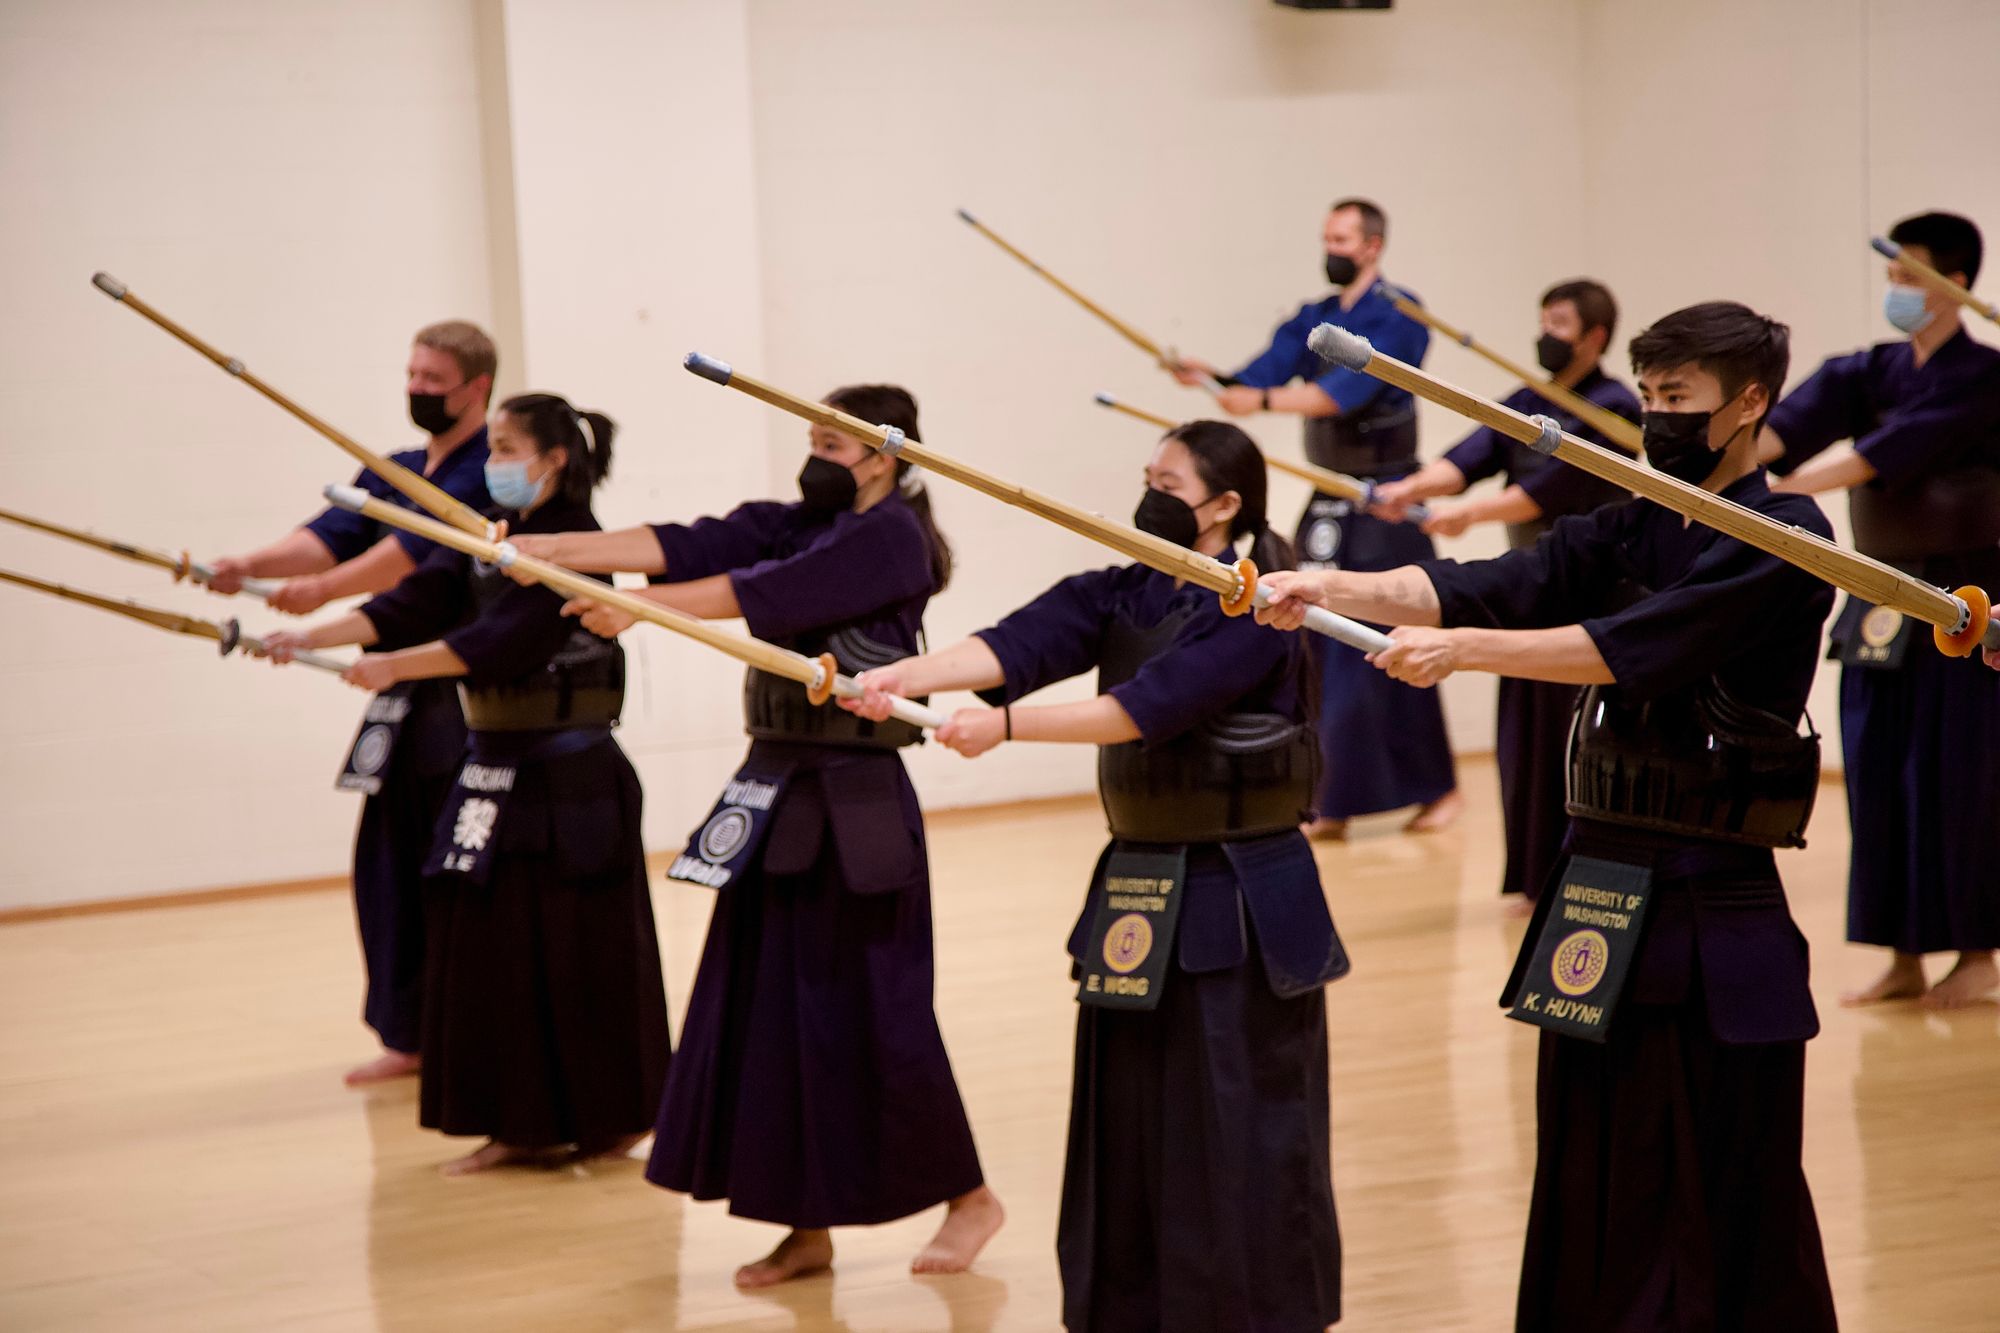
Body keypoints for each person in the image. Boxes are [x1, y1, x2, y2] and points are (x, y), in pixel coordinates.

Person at [1258, 303, 1837, 1330]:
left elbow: (1637, 644)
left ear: (1747, 403)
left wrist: (1468, 654)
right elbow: (1487, 582)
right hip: (1597, 880)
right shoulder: (1637, 514)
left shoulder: (1787, 533)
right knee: (1589, 1155)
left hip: (1709, 891)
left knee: (1716, 1165)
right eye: (1648, 396)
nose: (1655, 418)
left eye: (1677, 399)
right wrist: (1325, 584)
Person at [849, 421, 1346, 1333]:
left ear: (1225, 505)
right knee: (1132, 1111)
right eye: (1146, 475)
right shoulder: (1123, 585)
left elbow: (1141, 709)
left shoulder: (1257, 608)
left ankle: (1248, 1311)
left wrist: (1002, 731)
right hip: (1141, 880)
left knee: (1237, 1112)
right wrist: (887, 680)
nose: (1149, 491)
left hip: (1240, 888)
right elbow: (1015, 645)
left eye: (1169, 479)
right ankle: (1139, 1307)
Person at [512, 385, 1001, 1286]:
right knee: (774, 1010)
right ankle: (803, 1224)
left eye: (829, 440)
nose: (811, 454)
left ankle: (969, 1196)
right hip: (778, 783)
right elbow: (696, 541)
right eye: (808, 436)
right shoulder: (805, 521)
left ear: (883, 454)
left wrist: (643, 610)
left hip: (854, 800)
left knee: (876, 1010)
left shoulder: (889, 536)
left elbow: (766, 592)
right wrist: (553, 547)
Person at [265, 393, 668, 1174]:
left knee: (581, 953)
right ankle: (517, 1121)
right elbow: (422, 598)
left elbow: (501, 640)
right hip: (493, 768)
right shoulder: (494, 537)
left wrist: (395, 665)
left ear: (553, 458)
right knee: (493, 949)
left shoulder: (577, 544)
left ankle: (610, 1115)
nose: (493, 464)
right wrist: (308, 635)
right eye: (490, 447)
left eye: (508, 447)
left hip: (569, 778)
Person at [208, 320, 496, 1085]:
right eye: (413, 375)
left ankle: (458, 1029)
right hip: (393, 689)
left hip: (459, 689)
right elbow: (332, 534)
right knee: (387, 860)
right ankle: (407, 1032)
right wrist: (250, 565)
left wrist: (322, 598)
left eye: (435, 380)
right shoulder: (395, 467)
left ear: (478, 388)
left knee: (445, 860)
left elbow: (409, 555)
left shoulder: (483, 471)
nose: (418, 390)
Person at [1762, 211, 2000, 1009]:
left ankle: (1974, 954)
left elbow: (1884, 455)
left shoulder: (1986, 376)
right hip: (1879, 594)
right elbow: (1786, 428)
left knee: (1962, 775)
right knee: (1877, 769)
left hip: (1966, 600)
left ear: (1956, 283)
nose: (1896, 288)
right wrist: (1731, 464)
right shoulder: (1866, 369)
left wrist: (1772, 497)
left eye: (1912, 274)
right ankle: (1900, 952)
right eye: (1892, 273)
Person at [1170, 197, 1459, 838]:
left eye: (1342, 238)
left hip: (1386, 498)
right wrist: (1214, 380)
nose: (1331, 247)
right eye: (1326, 236)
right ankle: (1333, 793)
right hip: (1329, 498)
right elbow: (1263, 373)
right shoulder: (1316, 316)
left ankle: (1437, 789)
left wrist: (1263, 400)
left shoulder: (1398, 315)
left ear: (1373, 245)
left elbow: (1342, 394)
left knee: (1391, 639)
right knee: (1318, 638)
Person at [1371, 280, 1641, 904]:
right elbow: (1471, 453)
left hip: (1591, 595)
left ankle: (1581, 873)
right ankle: (1534, 874)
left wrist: (1470, 516)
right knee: (1525, 734)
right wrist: (1411, 490)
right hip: (1528, 587)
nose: (1547, 333)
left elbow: (1552, 489)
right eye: (1544, 318)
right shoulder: (1528, 398)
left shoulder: (1615, 407)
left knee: (1575, 736)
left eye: (1561, 323)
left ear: (1595, 337)